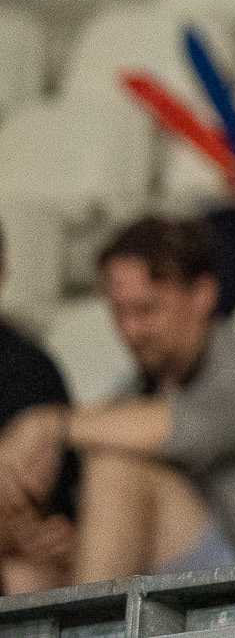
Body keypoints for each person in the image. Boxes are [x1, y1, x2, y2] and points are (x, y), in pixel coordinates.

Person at [1, 219, 235, 582]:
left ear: (202, 294)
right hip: (179, 566)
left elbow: (167, 427)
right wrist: (69, 544)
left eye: (146, 310)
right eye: (119, 312)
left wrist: (48, 424)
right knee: (25, 565)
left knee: (117, 466)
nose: (130, 331)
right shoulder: (140, 385)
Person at [0, 220, 76, 594]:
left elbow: (55, 513)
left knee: (29, 581)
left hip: (19, 568)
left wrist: (57, 534)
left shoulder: (30, 370)